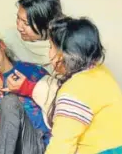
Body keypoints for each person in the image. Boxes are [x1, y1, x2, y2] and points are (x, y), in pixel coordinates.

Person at [44, 17, 122, 154]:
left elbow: (61, 146)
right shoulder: (100, 71)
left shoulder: (75, 90)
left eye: (50, 46)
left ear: (62, 56)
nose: (48, 52)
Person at [0, 0, 64, 98]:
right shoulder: (11, 38)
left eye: (26, 23)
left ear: (47, 25)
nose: (19, 27)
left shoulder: (65, 48)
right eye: (18, 18)